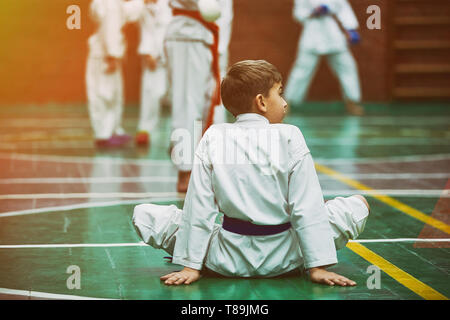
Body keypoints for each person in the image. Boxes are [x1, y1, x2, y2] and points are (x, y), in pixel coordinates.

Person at [132, 60, 370, 286]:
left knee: (144, 214)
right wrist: (317, 266)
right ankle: (313, 258)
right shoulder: (290, 135)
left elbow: (199, 207)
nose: (285, 102)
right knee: (358, 204)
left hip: (225, 259)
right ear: (261, 102)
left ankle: (197, 259)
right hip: (286, 258)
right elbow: (307, 207)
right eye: (279, 93)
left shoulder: (214, 136)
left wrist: (190, 266)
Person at [164, 0, 223, 192]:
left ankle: (188, 155)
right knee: (187, 105)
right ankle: (185, 170)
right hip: (186, 35)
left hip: (203, 35)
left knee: (207, 102)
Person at [285, 0, 364, 116]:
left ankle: (352, 101)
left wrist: (350, 29)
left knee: (347, 67)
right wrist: (313, 12)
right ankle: (287, 103)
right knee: (301, 69)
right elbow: (298, 14)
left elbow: (343, 9)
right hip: (312, 33)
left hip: (333, 34)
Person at [86, 0, 144, 148]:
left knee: (114, 95)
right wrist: (112, 54)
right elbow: (110, 27)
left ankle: (112, 131)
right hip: (105, 56)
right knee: (105, 95)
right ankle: (104, 134)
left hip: (106, 54)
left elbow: (127, 12)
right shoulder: (110, 3)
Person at [135, 0, 173, 146]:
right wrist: (147, 53)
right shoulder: (141, 6)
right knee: (150, 93)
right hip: (152, 58)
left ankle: (177, 133)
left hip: (172, 55)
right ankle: (145, 129)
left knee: (175, 97)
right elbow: (145, 30)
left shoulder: (171, 4)